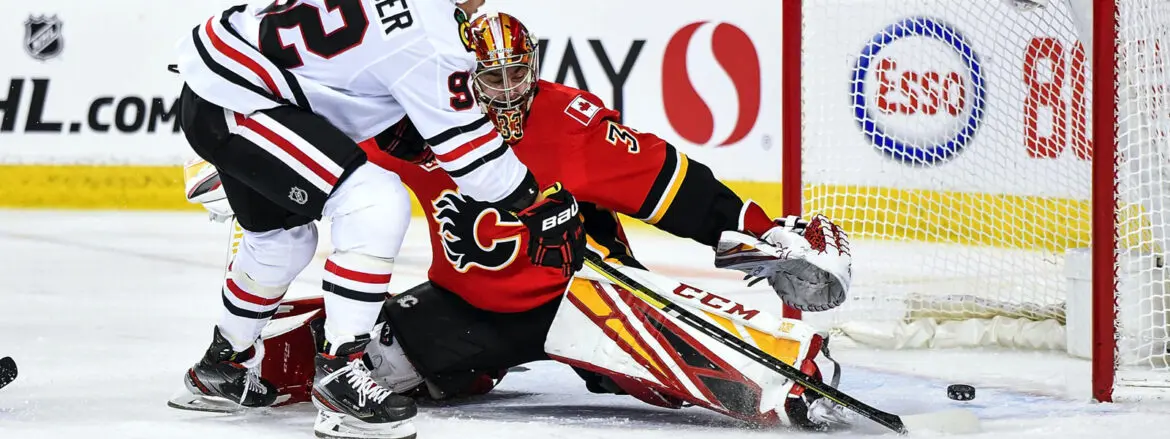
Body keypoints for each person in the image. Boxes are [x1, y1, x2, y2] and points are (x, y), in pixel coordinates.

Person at [184, 10, 853, 432]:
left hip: (582, 297)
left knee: (695, 370)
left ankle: (795, 371)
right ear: (461, 77)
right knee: (348, 349)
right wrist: (248, 168)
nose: (504, 92)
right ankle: (238, 361)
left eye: (515, 75)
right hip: (465, 308)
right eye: (488, 78)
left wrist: (755, 222)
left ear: (534, 69)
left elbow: (670, 184)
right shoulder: (421, 115)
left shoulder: (568, 121)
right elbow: (330, 149)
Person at [168, 2, 586, 439]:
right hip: (243, 104)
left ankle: (221, 365)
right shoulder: (434, 35)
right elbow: (473, 159)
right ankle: (340, 379)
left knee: (282, 242)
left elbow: (346, 55)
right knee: (374, 201)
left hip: (223, 83)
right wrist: (536, 203)